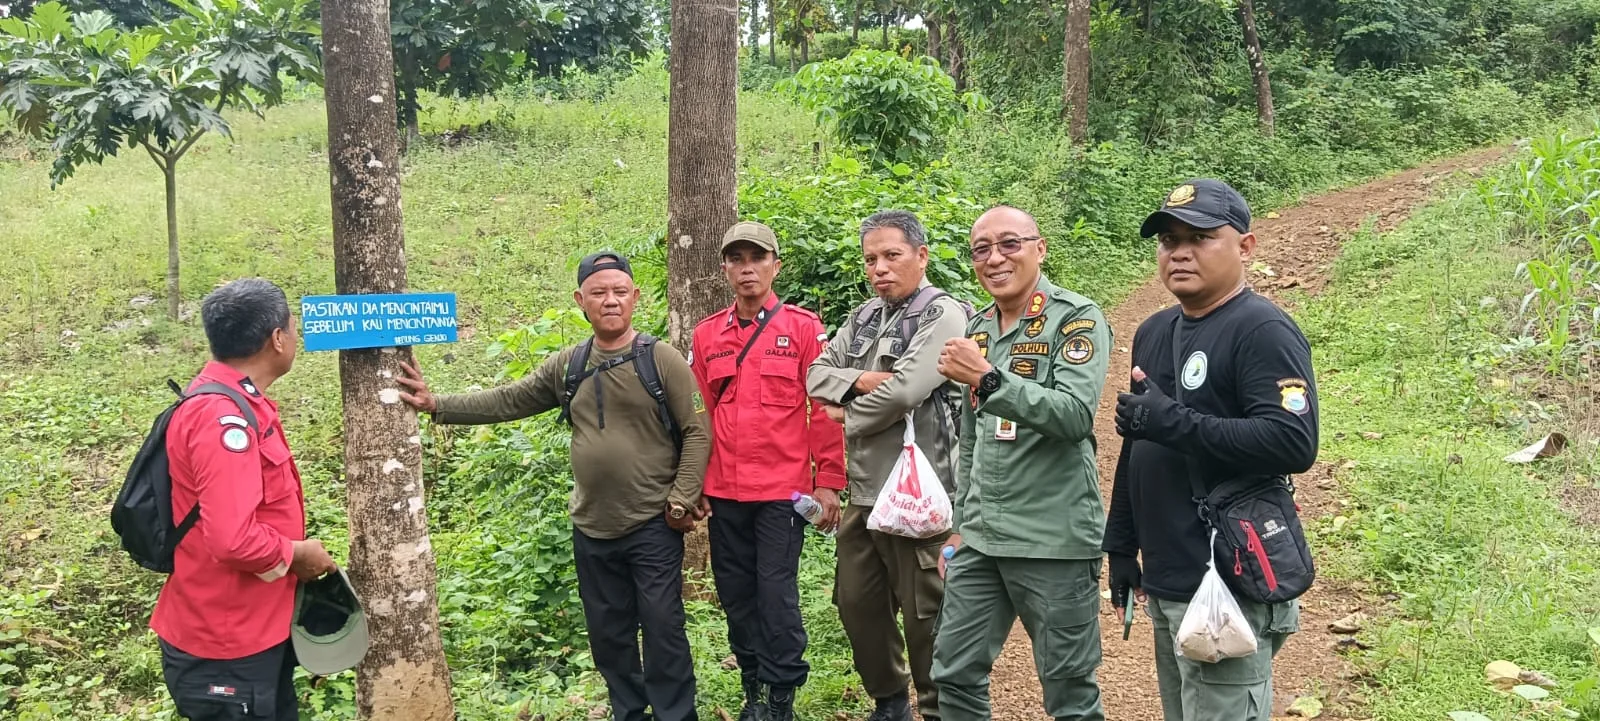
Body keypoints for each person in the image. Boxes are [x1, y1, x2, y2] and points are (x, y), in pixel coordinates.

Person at [395, 251, 712, 721]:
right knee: (609, 633)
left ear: (635, 298)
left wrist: (682, 500)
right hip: (592, 527)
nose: (610, 301)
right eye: (599, 293)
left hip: (652, 524)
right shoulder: (570, 364)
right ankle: (629, 712)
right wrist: (437, 403)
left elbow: (698, 430)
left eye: (620, 292)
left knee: (664, 628)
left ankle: (675, 715)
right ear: (580, 300)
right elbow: (509, 400)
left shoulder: (659, 359)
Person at [1103, 179, 1318, 721]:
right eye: (1168, 239)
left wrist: (1172, 421)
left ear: (1245, 247)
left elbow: (1293, 441)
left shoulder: (1262, 329)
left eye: (1199, 237)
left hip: (1231, 572)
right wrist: (1123, 546)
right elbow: (1140, 443)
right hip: (1170, 573)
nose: (1179, 251)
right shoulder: (1154, 331)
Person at [931, 206, 1113, 721]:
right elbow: (972, 435)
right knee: (954, 673)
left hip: (1051, 539)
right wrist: (961, 522)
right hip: (981, 539)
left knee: (1069, 690)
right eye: (981, 249)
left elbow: (1075, 416)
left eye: (1009, 244)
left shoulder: (1075, 318)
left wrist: (989, 379)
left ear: (1040, 248)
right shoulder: (978, 326)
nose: (994, 258)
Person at [805, 210, 968, 721]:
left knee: (926, 614)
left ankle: (939, 706)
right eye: (871, 258)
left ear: (921, 256)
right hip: (865, 493)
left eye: (892, 255)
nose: (880, 268)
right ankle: (890, 699)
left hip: (923, 493)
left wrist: (847, 408)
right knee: (856, 603)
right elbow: (814, 375)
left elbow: (907, 391)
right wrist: (871, 382)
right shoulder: (864, 317)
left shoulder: (944, 313)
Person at [151, 277, 339, 721]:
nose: (297, 335)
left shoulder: (239, 403)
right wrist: (299, 554)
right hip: (225, 643)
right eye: (293, 326)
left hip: (255, 630)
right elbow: (232, 539)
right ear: (277, 338)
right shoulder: (222, 419)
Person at [689, 221, 847, 721]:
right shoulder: (707, 333)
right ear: (725, 270)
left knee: (775, 594)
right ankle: (752, 691)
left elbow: (822, 410)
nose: (747, 268)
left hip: (781, 491)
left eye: (757, 258)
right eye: (737, 259)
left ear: (775, 265)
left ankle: (782, 698)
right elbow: (699, 416)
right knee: (736, 594)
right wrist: (694, 484)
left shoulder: (802, 328)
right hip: (725, 491)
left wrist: (829, 482)